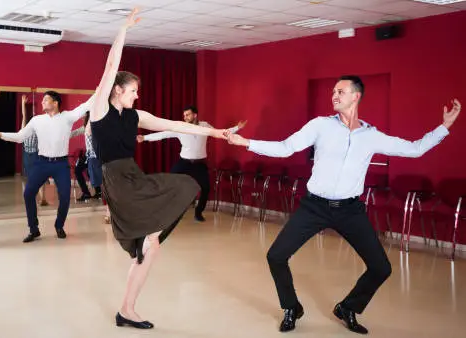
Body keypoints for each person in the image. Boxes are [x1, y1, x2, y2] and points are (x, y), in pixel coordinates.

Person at [226, 75, 461, 334]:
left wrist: (444, 127)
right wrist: (245, 142)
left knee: (381, 268)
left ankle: (348, 308)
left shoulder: (372, 136)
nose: (334, 95)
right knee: (276, 256)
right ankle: (291, 307)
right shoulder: (320, 125)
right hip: (313, 207)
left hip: (350, 210)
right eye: (333, 91)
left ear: (355, 96)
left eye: (340, 91)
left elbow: (415, 149)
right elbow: (286, 147)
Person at [89, 9, 227, 329]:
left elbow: (177, 124)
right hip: (117, 180)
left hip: (133, 175)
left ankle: (127, 308)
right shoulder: (99, 109)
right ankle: (147, 237)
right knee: (156, 232)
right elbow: (111, 66)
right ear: (117, 91)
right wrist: (123, 29)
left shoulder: (137, 116)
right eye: (133, 89)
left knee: (157, 242)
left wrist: (215, 132)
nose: (138, 94)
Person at [0, 91, 95, 243]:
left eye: (46, 99)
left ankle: (59, 226)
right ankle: (33, 229)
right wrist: (0, 134)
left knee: (65, 197)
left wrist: (101, 90)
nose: (43, 102)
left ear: (55, 103)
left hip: (60, 164)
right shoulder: (37, 120)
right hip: (42, 162)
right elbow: (20, 137)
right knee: (28, 193)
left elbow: (87, 105)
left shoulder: (67, 117)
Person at [138, 106, 247, 221]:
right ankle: (164, 211)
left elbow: (219, 133)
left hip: (199, 164)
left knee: (205, 188)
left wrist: (237, 128)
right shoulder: (181, 127)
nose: (185, 117)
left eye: (188, 115)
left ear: (195, 115)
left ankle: (198, 213)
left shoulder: (204, 126)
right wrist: (144, 137)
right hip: (184, 162)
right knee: (169, 182)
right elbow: (163, 134)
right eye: (184, 115)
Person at [20, 95, 49, 206]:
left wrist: (23, 103)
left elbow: (24, 116)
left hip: (29, 155)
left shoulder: (25, 129)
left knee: (32, 178)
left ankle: (34, 197)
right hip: (35, 155)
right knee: (39, 177)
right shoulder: (36, 131)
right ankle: (42, 198)